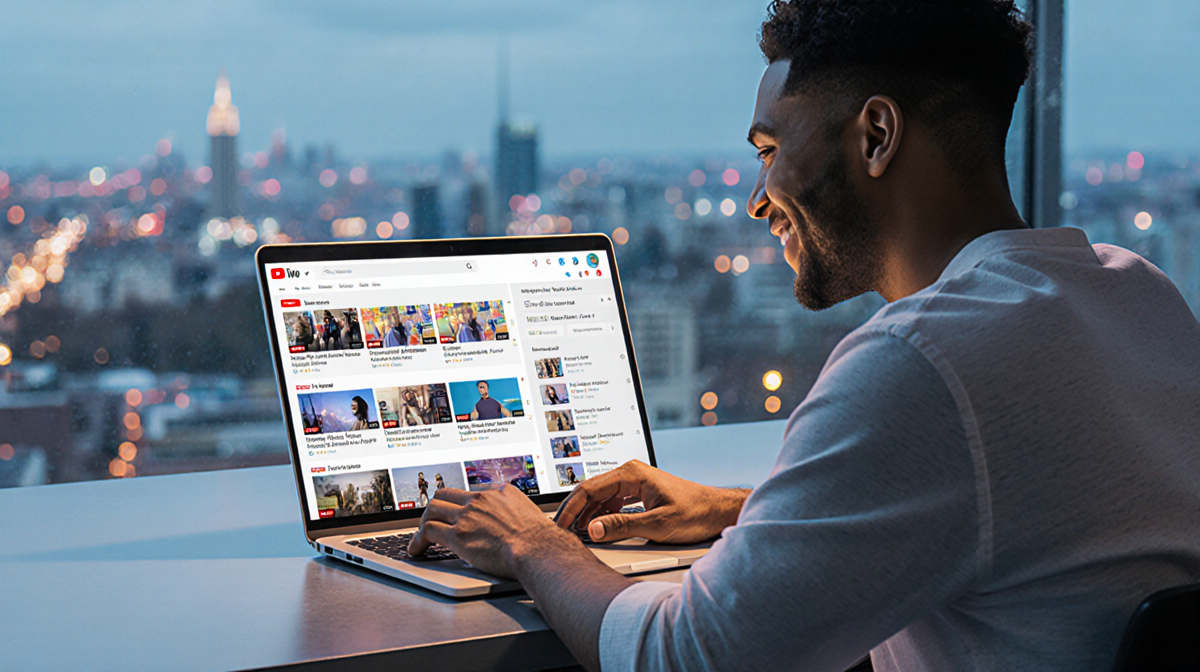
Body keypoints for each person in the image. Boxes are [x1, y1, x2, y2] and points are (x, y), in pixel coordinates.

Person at [405, 2, 1200, 671]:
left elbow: (687, 658)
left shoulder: (922, 361)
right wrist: (748, 515)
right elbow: (1030, 520)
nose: (758, 199)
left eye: (771, 151)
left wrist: (533, 545)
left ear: (877, 135)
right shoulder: (1138, 295)